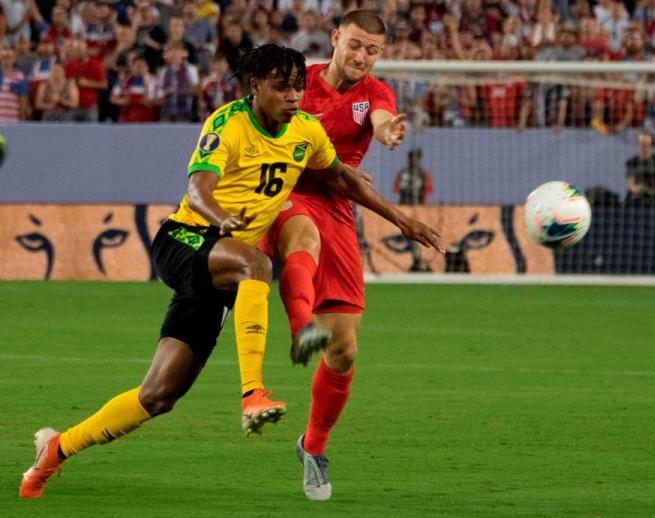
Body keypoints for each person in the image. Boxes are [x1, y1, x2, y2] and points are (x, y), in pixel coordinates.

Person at [19, 43, 441, 500]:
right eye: (282, 87)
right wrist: (219, 216)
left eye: (299, 87)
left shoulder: (305, 131)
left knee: (159, 395)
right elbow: (198, 188)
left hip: (221, 268)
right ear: (255, 86)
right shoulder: (227, 123)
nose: (294, 96)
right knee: (258, 263)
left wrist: (403, 220)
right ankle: (254, 394)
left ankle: (55, 451)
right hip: (185, 240)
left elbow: (341, 178)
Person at [256, 10, 414, 502]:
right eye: (355, 45)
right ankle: (300, 325)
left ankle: (312, 446)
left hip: (337, 206)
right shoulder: (296, 82)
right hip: (281, 192)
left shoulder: (375, 96)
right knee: (302, 236)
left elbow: (383, 120)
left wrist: (387, 133)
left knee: (344, 348)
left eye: (373, 50)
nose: (362, 56)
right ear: (335, 39)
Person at [394, 147, 434, 272]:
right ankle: (416, 261)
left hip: (415, 209)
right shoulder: (404, 174)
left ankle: (420, 261)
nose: (414, 161)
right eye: (413, 158)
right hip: (407, 208)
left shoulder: (422, 175)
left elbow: (425, 193)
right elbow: (398, 191)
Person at [625, 130, 655, 206]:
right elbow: (631, 185)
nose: (643, 147)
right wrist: (640, 188)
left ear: (652, 145)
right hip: (635, 201)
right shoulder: (632, 162)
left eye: (646, 144)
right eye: (640, 144)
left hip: (654, 202)